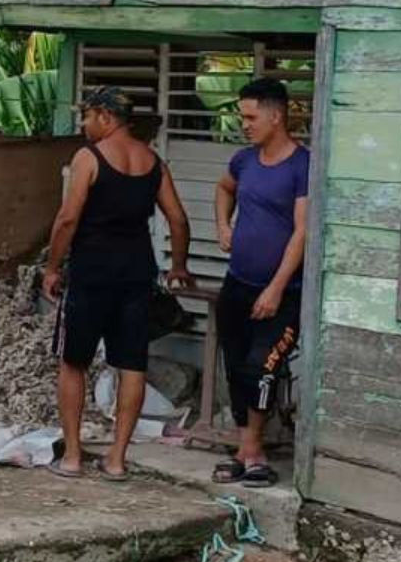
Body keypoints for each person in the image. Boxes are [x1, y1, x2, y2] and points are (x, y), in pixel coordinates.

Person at [42, 86, 193, 481]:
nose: (83, 124)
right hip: (136, 273)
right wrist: (178, 265)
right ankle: (117, 459)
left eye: (87, 116)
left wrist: (53, 267)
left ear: (106, 117)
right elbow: (178, 219)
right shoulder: (152, 161)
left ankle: (73, 456)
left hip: (92, 272)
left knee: (73, 362)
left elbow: (67, 219)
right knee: (132, 365)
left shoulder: (88, 158)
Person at [211, 78, 308, 488]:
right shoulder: (244, 161)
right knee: (235, 367)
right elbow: (222, 188)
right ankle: (245, 450)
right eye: (242, 116)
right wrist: (222, 225)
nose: (244, 124)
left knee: (261, 368)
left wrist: (275, 287)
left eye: (251, 117)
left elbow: (301, 232)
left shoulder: (302, 165)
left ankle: (255, 448)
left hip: (282, 293)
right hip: (238, 284)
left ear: (276, 115)